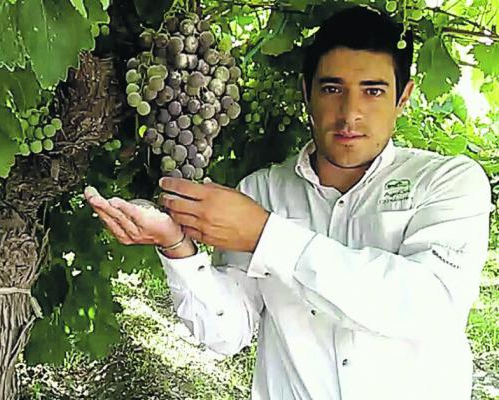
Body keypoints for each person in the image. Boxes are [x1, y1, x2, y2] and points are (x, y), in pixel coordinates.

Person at [85, 5, 492, 400]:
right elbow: (226, 332)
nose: (350, 113)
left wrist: (265, 235)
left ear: (403, 98)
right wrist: (176, 245)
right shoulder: (261, 192)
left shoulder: (448, 183)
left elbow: (424, 306)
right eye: (332, 89)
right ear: (306, 93)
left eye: (373, 91)